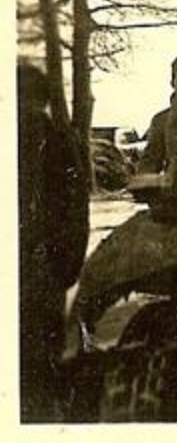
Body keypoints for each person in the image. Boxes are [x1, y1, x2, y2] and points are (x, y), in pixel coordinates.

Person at [18, 62, 89, 421]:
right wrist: (68, 261)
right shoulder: (56, 137)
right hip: (44, 259)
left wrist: (65, 261)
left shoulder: (54, 139)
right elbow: (76, 205)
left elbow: (72, 203)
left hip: (40, 260)